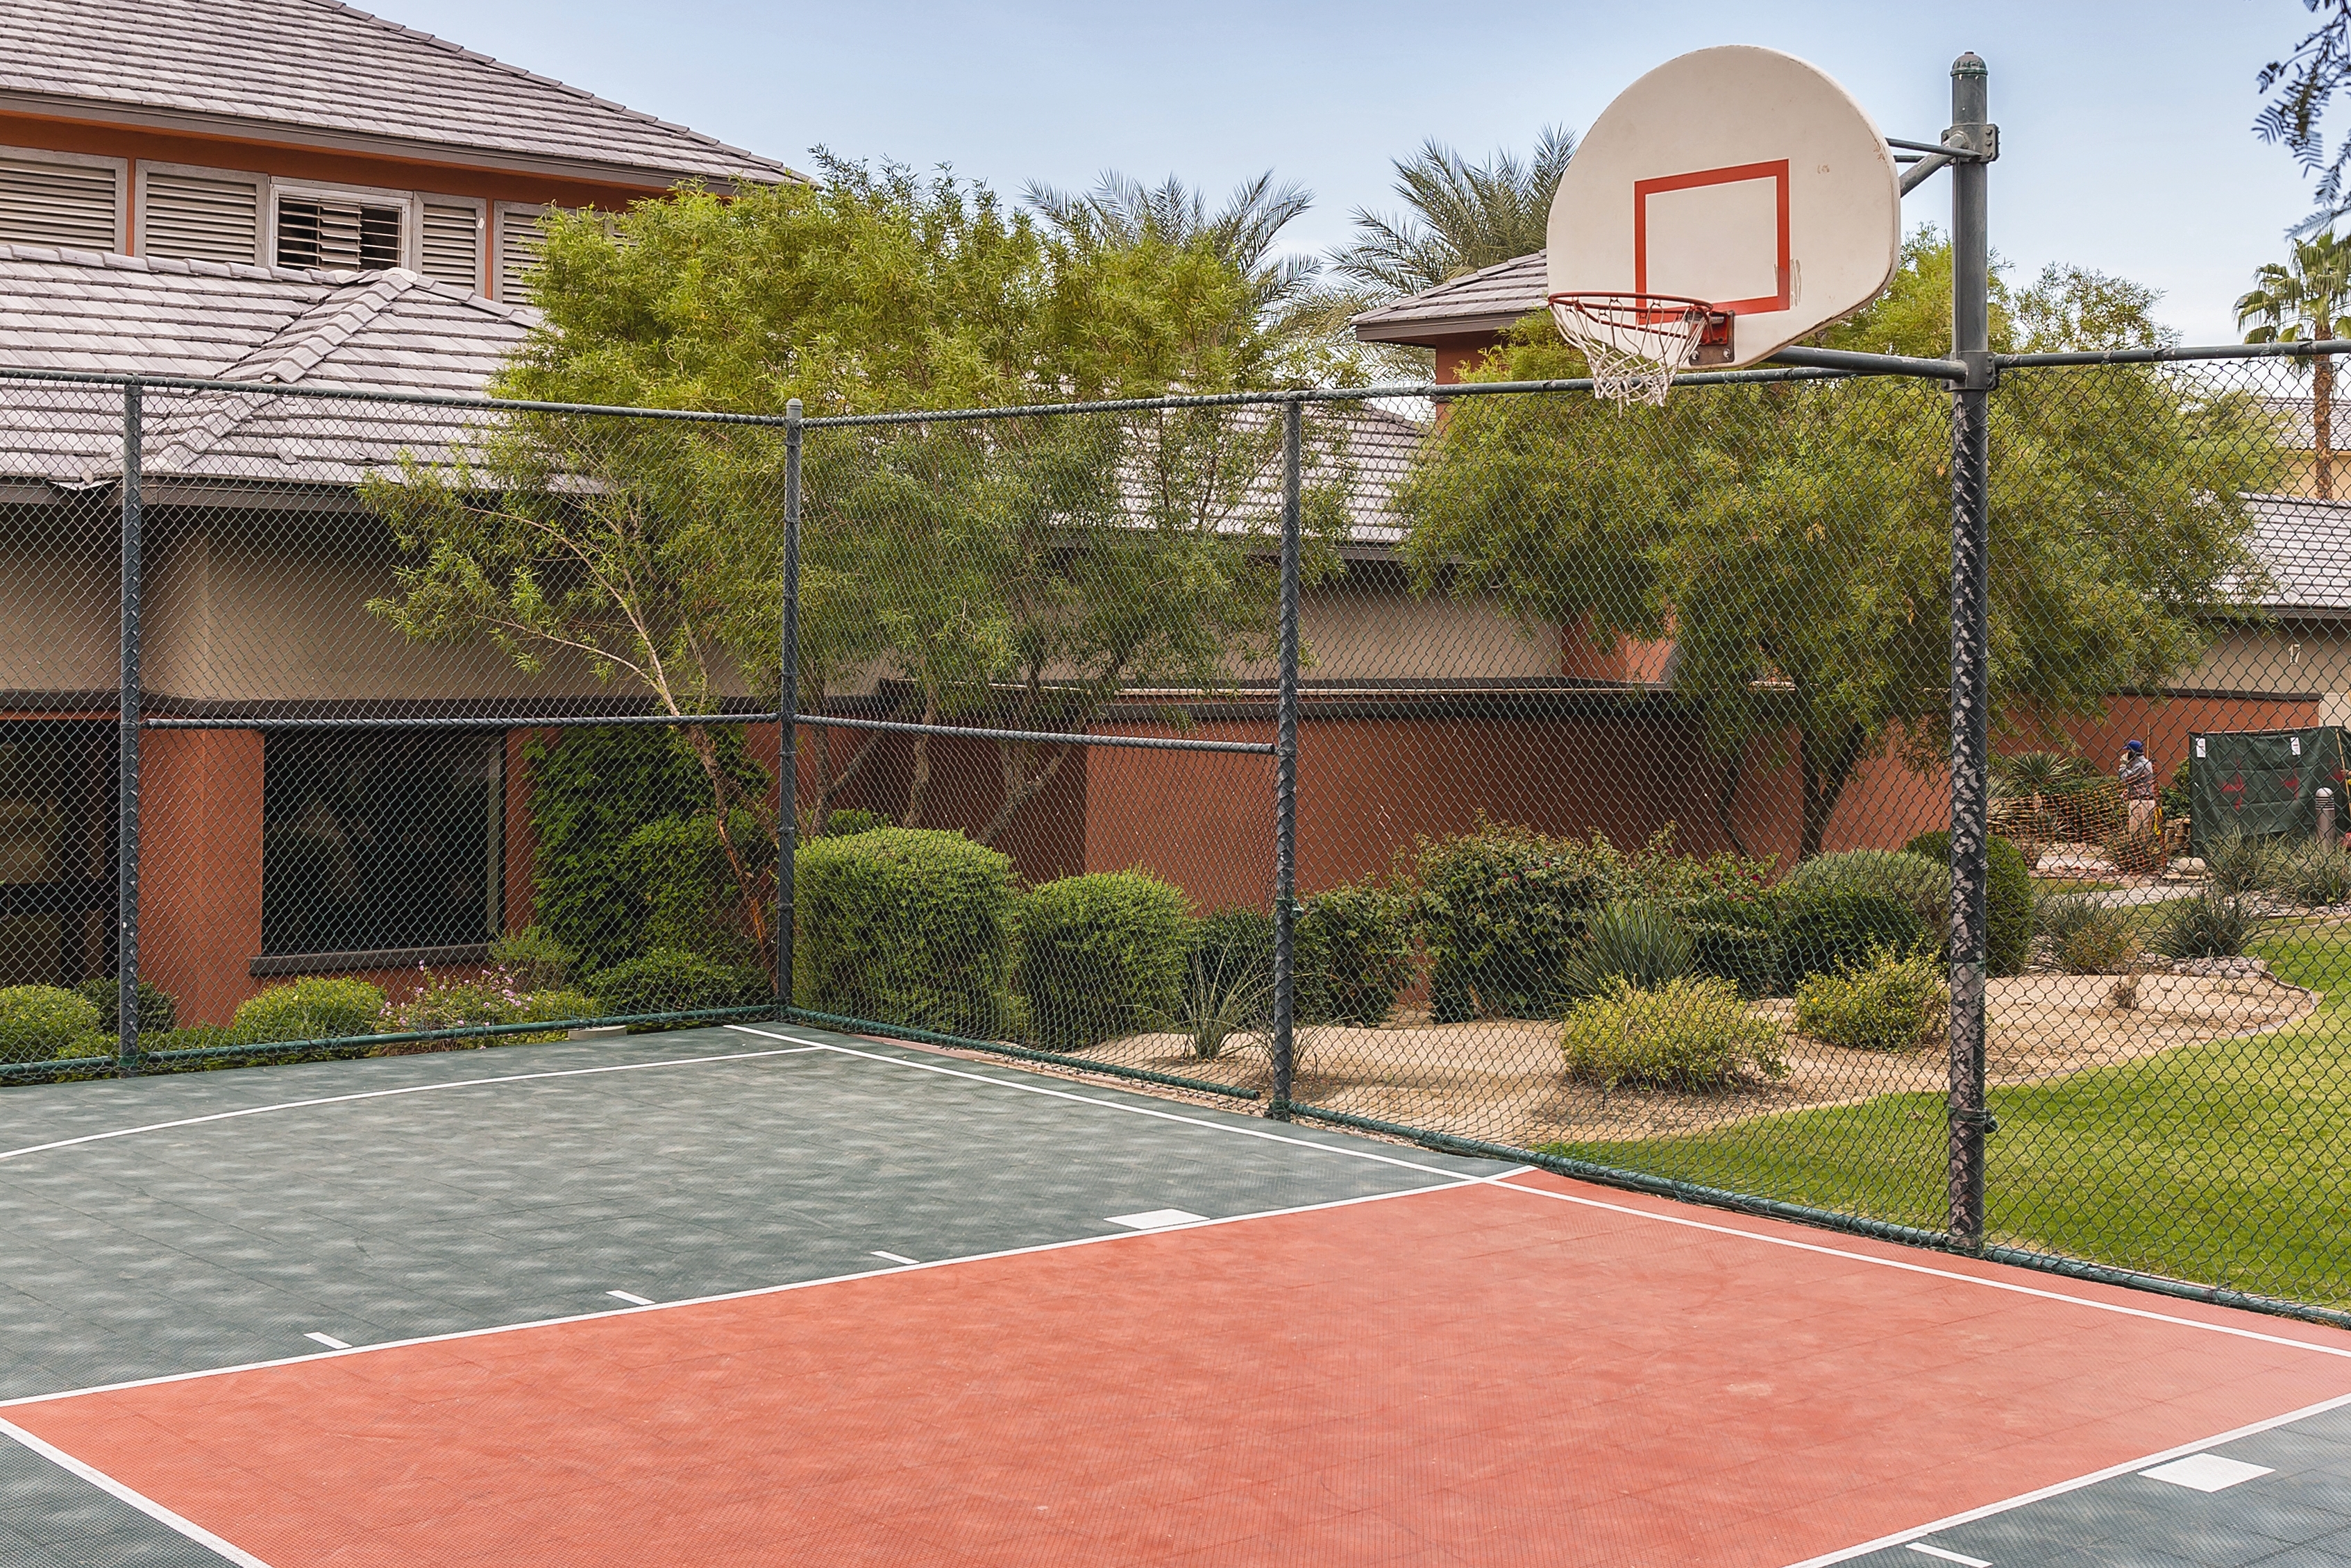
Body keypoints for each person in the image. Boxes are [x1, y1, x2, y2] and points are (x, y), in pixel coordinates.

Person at [2118, 740, 2157, 836]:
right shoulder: (2142, 764)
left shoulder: (2141, 765)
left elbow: (2126, 778)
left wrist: (2123, 765)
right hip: (2142, 800)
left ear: (2133, 753)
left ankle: (2138, 849)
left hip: (2141, 802)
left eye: (2128, 751)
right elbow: (2138, 782)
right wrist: (2130, 791)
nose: (2127, 754)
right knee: (2141, 833)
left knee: (2136, 833)